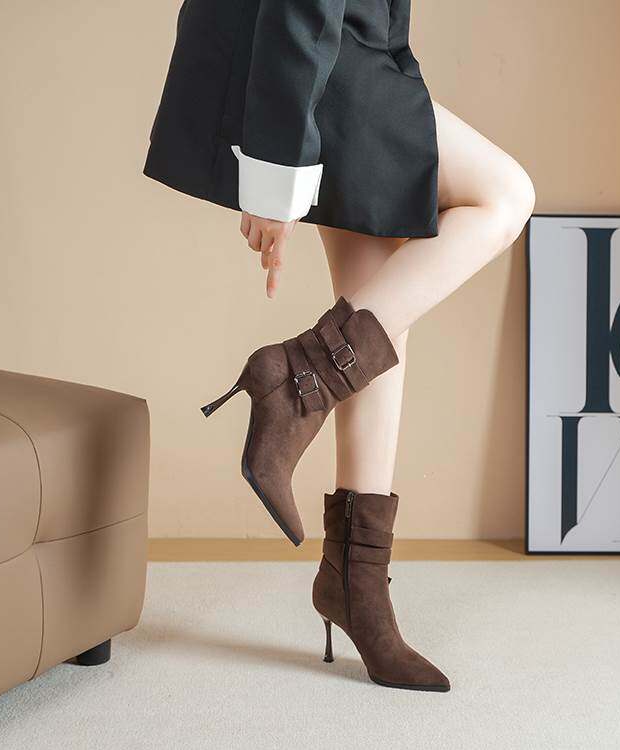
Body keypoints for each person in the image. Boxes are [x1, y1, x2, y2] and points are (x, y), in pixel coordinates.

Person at [144, 0, 535, 693]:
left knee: (375, 303)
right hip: (308, 54)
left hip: (346, 48)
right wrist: (275, 171)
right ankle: (297, 380)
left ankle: (357, 582)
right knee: (505, 195)